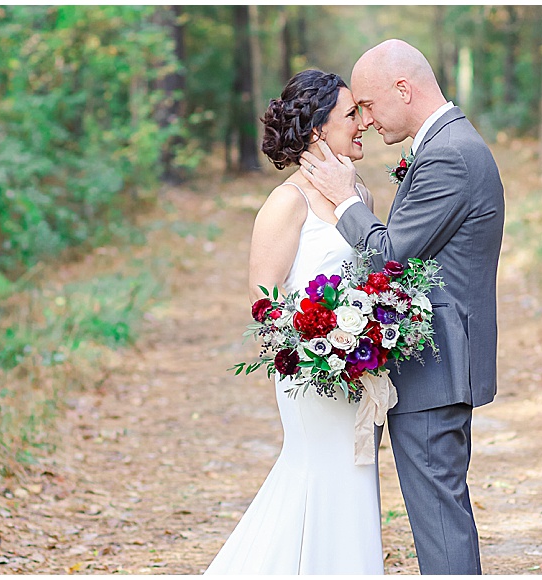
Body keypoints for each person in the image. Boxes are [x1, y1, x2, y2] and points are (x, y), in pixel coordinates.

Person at [300, 39, 505, 575]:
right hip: (434, 363)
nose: (364, 120)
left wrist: (346, 199)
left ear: (403, 89)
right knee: (438, 512)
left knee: (438, 519)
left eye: (367, 105)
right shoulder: (446, 143)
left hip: (435, 368)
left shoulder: (449, 155)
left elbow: (389, 255)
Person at [205, 69, 384, 574]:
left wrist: (369, 334)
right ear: (317, 132)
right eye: (351, 114)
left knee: (354, 481)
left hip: (358, 372)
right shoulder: (287, 203)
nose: (363, 123)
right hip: (313, 374)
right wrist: (322, 346)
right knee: (317, 476)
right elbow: (264, 307)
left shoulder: (360, 195)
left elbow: (372, 278)